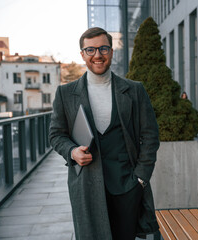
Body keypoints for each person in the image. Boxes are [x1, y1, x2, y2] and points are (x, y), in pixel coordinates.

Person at [49, 27, 160, 240]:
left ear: (111, 52)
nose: (97, 55)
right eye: (90, 50)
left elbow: (150, 135)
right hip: (86, 186)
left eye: (103, 48)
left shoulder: (134, 90)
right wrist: (72, 151)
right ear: (82, 54)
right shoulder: (65, 93)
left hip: (127, 186)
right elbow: (56, 134)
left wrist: (141, 179)